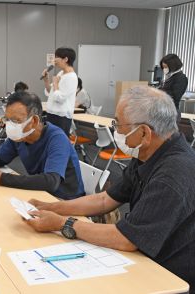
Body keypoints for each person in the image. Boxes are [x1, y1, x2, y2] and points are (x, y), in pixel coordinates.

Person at [25, 86, 195, 291]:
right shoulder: (148, 152)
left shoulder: (172, 173)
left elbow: (127, 239)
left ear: (144, 133)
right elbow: (106, 199)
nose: (116, 131)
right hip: (148, 255)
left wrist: (62, 223)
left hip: (168, 275)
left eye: (119, 125)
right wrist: (52, 207)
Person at [0, 91, 85, 200]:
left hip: (65, 198)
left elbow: (51, 181)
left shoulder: (57, 138)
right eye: (7, 119)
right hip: (40, 192)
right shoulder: (20, 137)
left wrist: (1, 178)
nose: (9, 125)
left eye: (16, 120)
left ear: (34, 121)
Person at [41, 47, 78, 136]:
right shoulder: (61, 73)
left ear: (65, 59)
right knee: (49, 142)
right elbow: (51, 92)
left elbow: (60, 98)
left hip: (61, 117)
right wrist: (46, 80)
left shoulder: (72, 77)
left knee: (58, 144)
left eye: (57, 57)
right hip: (52, 114)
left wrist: (56, 84)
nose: (54, 60)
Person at [158, 53, 188, 118]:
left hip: (172, 112)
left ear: (173, 65)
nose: (164, 69)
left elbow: (175, 97)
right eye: (163, 67)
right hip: (164, 110)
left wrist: (158, 93)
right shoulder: (170, 77)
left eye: (165, 67)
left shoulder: (181, 78)